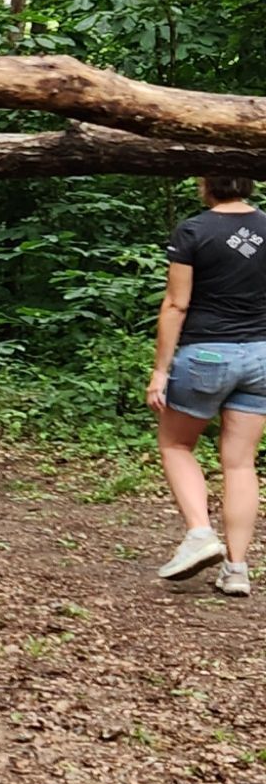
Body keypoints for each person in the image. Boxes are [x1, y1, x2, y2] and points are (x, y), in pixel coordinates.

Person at [146, 177, 266, 596]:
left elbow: (176, 304)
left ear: (206, 184)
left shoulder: (193, 230)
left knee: (176, 445)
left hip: (205, 356)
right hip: (261, 357)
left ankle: (200, 534)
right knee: (239, 462)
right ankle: (236, 570)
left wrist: (161, 370)